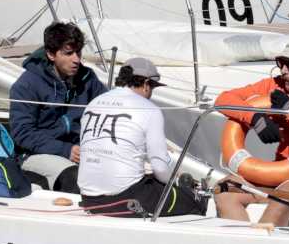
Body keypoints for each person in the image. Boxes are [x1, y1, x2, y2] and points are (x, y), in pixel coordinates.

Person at [213, 41, 289, 227]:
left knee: (279, 204)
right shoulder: (273, 85)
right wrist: (256, 118)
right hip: (275, 174)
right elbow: (223, 99)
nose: (284, 70)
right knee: (224, 191)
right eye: (281, 64)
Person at [78, 57, 206, 218]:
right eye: (152, 87)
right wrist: (178, 185)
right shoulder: (149, 109)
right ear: (146, 84)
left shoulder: (94, 102)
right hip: (126, 197)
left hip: (89, 198)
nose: (151, 93)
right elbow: (160, 168)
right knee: (193, 201)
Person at [9, 23, 107, 193]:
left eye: (78, 52)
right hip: (36, 154)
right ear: (51, 54)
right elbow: (23, 133)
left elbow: (107, 112)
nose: (76, 59)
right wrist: (66, 150)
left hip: (82, 150)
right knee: (76, 178)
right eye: (68, 53)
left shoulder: (88, 79)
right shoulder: (26, 85)